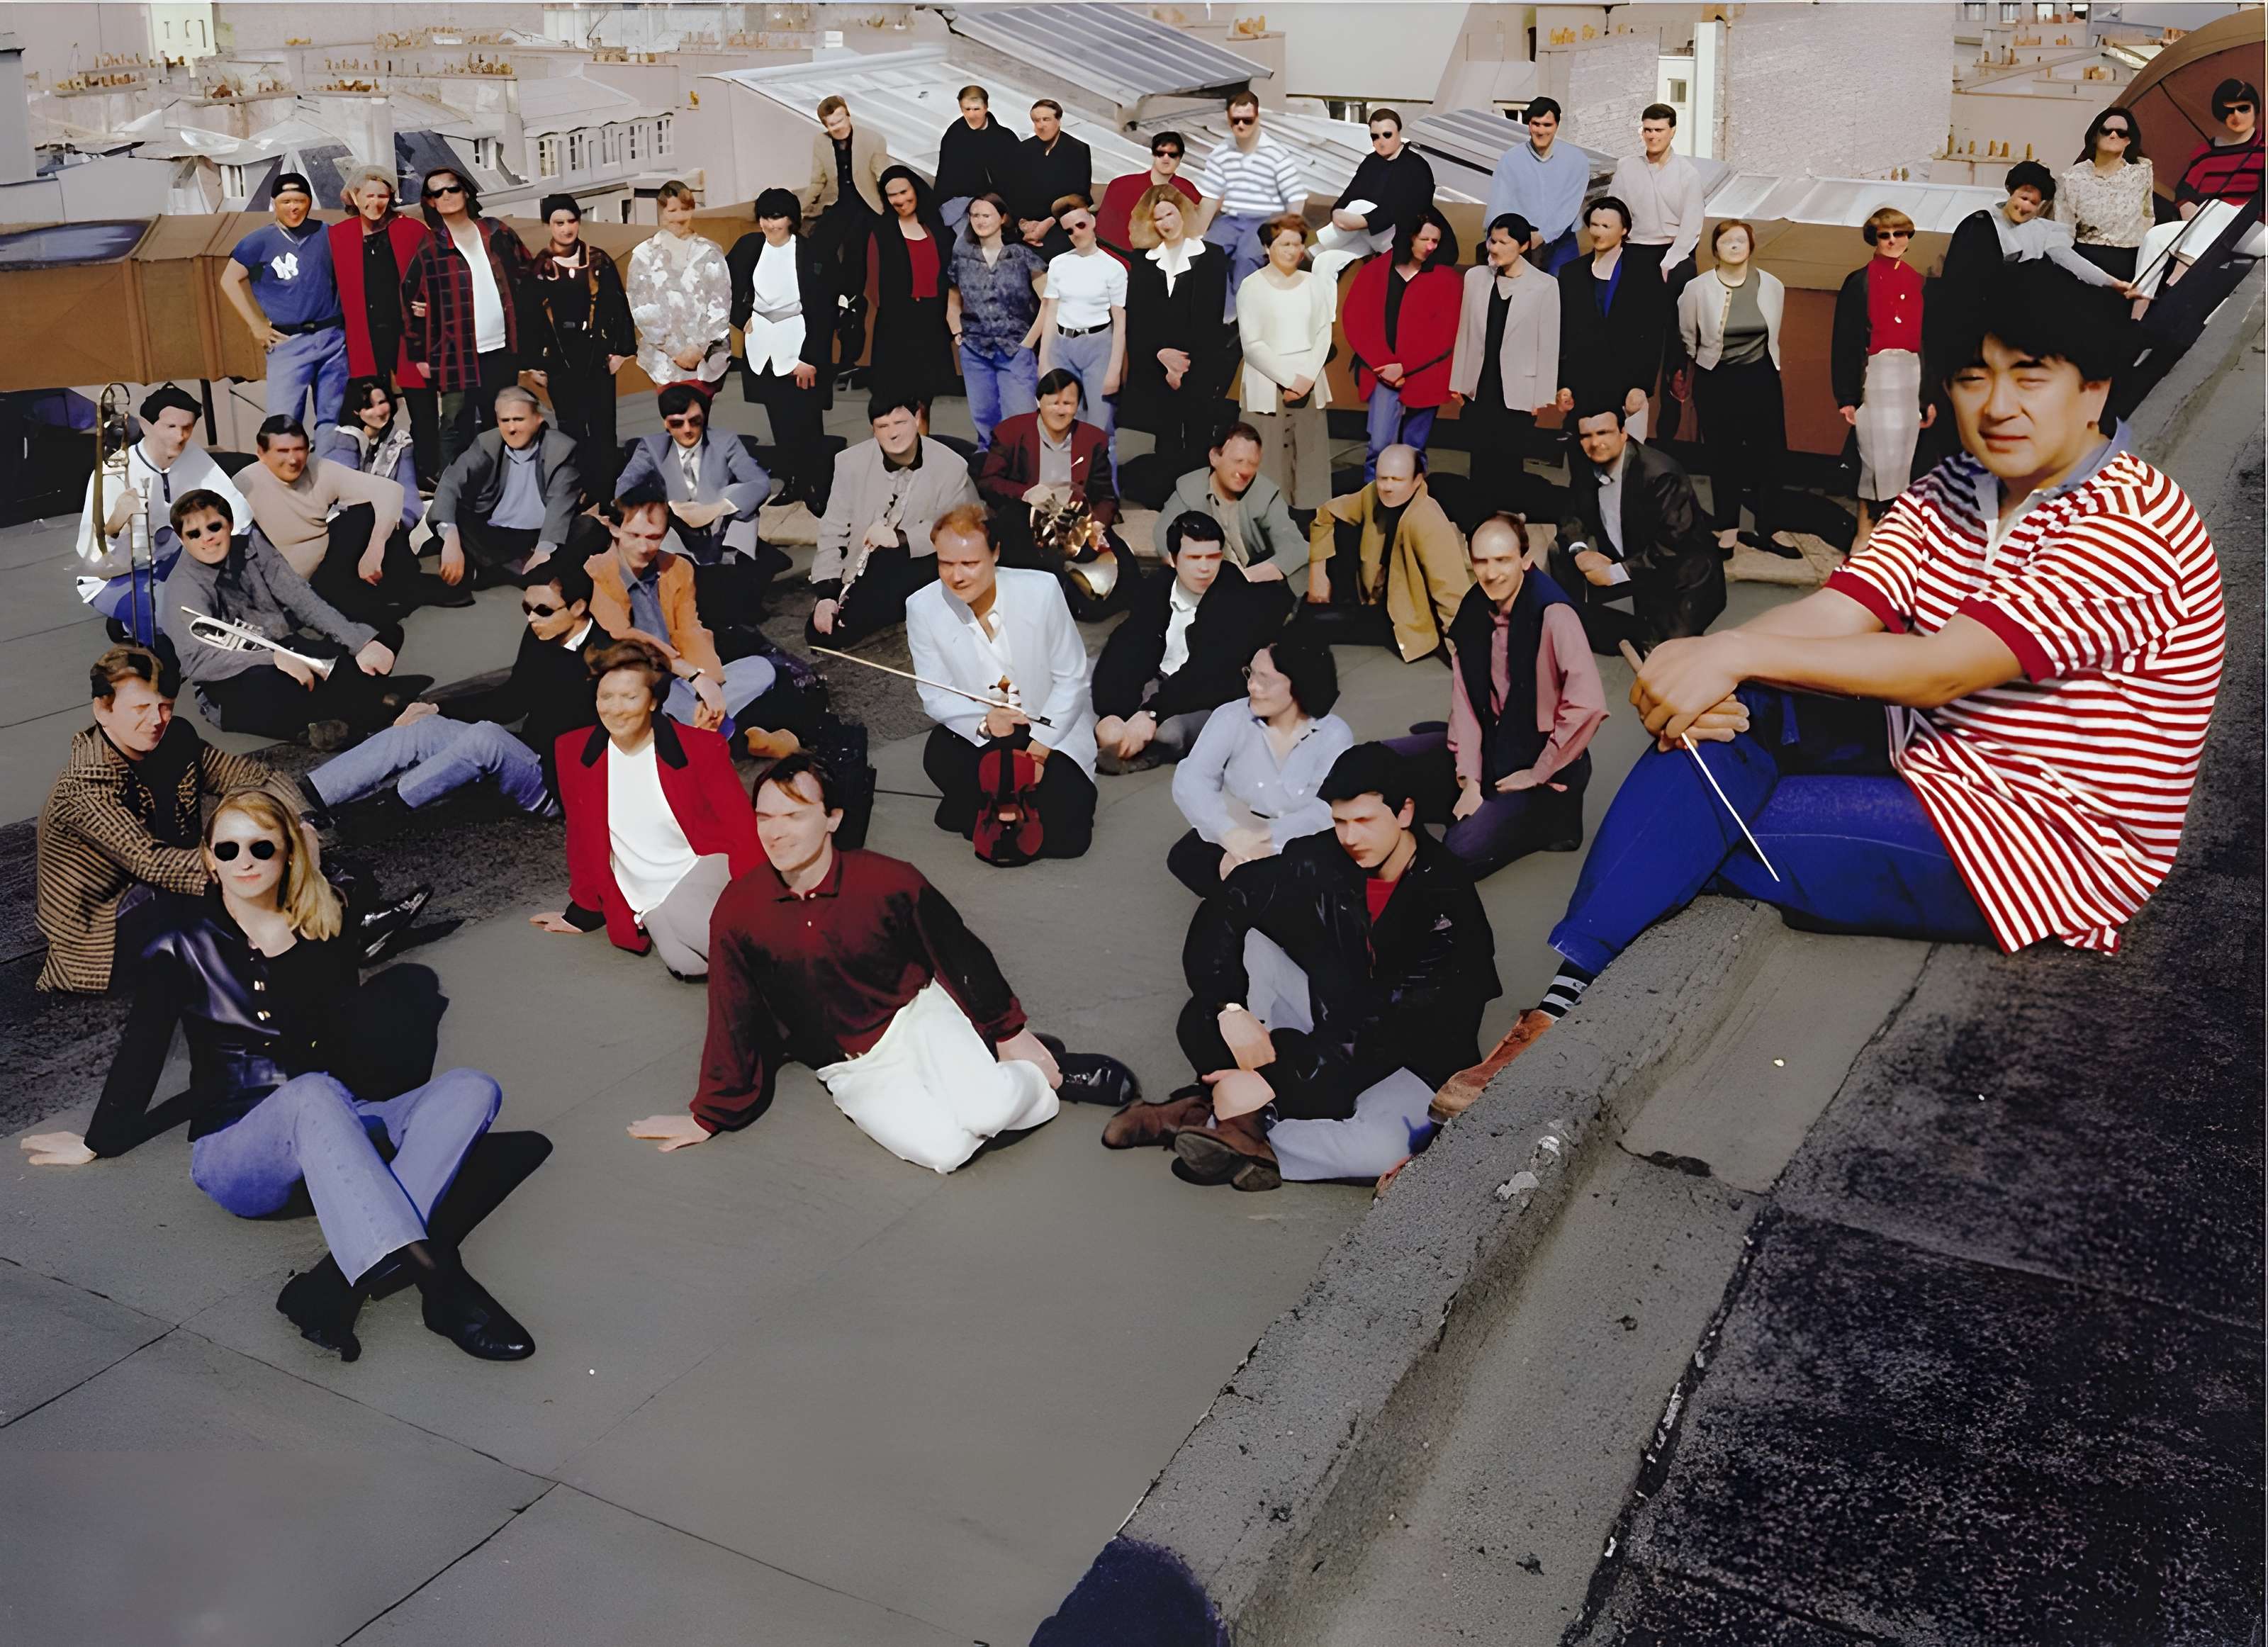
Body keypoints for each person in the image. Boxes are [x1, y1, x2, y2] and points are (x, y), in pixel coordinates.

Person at [1498, 263, 2223, 1072]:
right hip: (1933, 754)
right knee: (1727, 713)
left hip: (2042, 836)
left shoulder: (2131, 523)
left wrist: (1728, 648)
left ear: (2091, 390)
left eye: (2029, 376)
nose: (1997, 405)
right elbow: (1840, 607)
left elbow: (1941, 668)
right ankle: (1567, 996)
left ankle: (1557, 1016)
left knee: (1706, 836)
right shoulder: (1960, 483)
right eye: (1971, 377)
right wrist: (1712, 663)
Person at [23, 787, 534, 1365]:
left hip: (330, 1124)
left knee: (471, 1089)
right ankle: (441, 1287)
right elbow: (141, 1050)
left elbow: (343, 1043)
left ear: (288, 854)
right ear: (209, 859)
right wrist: (97, 1142)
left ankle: (328, 1287)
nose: (245, 860)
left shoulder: (324, 927)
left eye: (262, 846)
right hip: (238, 1154)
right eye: (229, 847)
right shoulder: (179, 944)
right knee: (311, 1092)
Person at [634, 753, 1136, 1170]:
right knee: (949, 1150)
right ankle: (981, 1069)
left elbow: (959, 953)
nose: (776, 833)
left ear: (833, 819)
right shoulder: (740, 909)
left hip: (916, 1014)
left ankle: (1042, 1072)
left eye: (794, 816)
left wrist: (1010, 1032)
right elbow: (731, 1011)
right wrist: (709, 1115)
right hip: (852, 1064)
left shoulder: (889, 880)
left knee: (988, 1110)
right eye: (765, 818)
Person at [1108, 743, 1498, 1191]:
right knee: (1253, 936)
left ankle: (1219, 1121)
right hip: (1328, 1025)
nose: (1351, 837)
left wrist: (1270, 1083)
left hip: (1411, 1061)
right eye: (1340, 821)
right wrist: (1228, 1008)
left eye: (1366, 821)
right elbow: (1233, 900)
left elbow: (1387, 1030)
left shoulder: (1446, 902)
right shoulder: (1327, 855)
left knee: (1381, 1151)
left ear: (1405, 812)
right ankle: (1240, 1124)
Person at [37, 643, 276, 994]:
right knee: (243, 884)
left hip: (164, 892)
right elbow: (152, 862)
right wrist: (262, 859)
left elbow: (251, 777)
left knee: (254, 849)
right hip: (103, 930)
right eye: (141, 708)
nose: (156, 720)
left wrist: (300, 823)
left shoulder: (174, 738)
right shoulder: (84, 787)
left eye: (165, 706)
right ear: (103, 709)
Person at [303, 557, 601, 821]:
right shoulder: (541, 635)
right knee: (425, 726)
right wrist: (438, 708)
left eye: (543, 611)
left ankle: (378, 812)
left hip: (558, 785)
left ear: (578, 607)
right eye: (526, 608)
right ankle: (312, 793)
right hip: (525, 754)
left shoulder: (607, 657)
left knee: (485, 737)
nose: (531, 618)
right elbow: (511, 699)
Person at [1386, 515, 1602, 878]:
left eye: (1502, 560)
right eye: (1482, 561)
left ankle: (1547, 820)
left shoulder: (1554, 613)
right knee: (1386, 765)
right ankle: (1476, 798)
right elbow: (1466, 704)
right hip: (1492, 745)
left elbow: (1588, 705)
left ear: (1524, 559)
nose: (1491, 573)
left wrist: (1538, 772)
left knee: (1460, 852)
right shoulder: (1475, 609)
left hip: (1540, 763)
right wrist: (1470, 781)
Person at [532, 637, 759, 978]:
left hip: (704, 866)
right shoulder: (572, 751)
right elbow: (579, 835)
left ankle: (793, 978)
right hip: (648, 897)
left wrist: (762, 895)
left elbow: (742, 831)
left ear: (653, 702)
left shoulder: (700, 747)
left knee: (691, 919)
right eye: (606, 697)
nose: (615, 708)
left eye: (630, 697)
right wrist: (582, 912)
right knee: (687, 963)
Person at [906, 505, 1099, 859]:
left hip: (1047, 727)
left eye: (970, 563)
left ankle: (977, 808)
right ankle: (988, 805)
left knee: (1071, 835)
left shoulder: (1041, 591)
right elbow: (935, 694)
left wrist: (1040, 751)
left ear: (995, 553)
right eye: (946, 563)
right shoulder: (922, 607)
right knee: (939, 755)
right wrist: (983, 721)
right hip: (986, 732)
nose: (957, 576)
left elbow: (1071, 677)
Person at [162, 490, 410, 745]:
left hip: (287, 648)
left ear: (230, 525)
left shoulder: (253, 545)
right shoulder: (183, 586)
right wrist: (272, 658)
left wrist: (360, 644)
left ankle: (342, 711)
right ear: (182, 539)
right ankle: (356, 708)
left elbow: (303, 601)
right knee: (278, 683)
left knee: (384, 631)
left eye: (214, 527)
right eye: (194, 534)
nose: (208, 539)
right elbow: (197, 662)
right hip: (234, 680)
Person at [583, 490, 790, 754]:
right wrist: (693, 677)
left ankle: (700, 729)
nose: (644, 547)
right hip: (636, 674)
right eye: (634, 536)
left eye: (654, 537)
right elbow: (623, 639)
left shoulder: (677, 568)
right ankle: (725, 736)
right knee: (655, 696)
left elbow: (690, 630)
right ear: (614, 528)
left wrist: (707, 684)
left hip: (680, 676)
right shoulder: (596, 573)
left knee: (762, 669)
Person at [1094, 510, 1293, 772]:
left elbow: (1209, 670)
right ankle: (1127, 741)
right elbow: (1125, 649)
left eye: (1212, 557)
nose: (1204, 567)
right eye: (1194, 557)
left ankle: (1143, 749)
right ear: (1174, 559)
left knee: (1170, 732)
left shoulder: (1234, 594)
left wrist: (1151, 714)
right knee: (1106, 719)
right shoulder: (1159, 586)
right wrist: (1113, 714)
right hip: (1161, 682)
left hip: (1213, 694)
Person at [1167, 634, 1352, 896]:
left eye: (1264, 679)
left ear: (1299, 684)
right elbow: (1192, 780)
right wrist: (1231, 834)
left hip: (1300, 836)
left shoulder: (1334, 733)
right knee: (1185, 857)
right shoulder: (1230, 716)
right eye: (1250, 674)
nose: (1252, 686)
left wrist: (1266, 841)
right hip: (1238, 826)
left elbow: (1326, 808)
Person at [73, 384, 251, 643]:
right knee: (172, 613)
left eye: (187, 428)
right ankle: (157, 657)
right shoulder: (113, 472)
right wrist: (116, 522)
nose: (180, 436)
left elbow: (238, 513)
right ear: (145, 426)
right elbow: (93, 555)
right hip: (117, 575)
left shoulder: (193, 456)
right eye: (170, 427)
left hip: (173, 562)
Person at [1551, 398, 1722, 654]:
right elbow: (1572, 515)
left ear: (1623, 433)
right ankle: (1575, 629)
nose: (1595, 443)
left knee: (1666, 660)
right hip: (1637, 564)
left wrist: (1613, 574)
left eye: (1603, 432)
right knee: (1558, 553)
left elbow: (1673, 548)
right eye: (1586, 436)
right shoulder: (1588, 467)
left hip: (1681, 579)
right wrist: (1580, 551)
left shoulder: (1660, 475)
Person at [809, 395, 982, 643]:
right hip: (864, 562)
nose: (893, 434)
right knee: (823, 632)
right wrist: (826, 592)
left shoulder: (951, 465)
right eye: (883, 426)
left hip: (923, 559)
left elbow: (960, 528)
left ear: (918, 419)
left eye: (900, 423)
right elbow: (833, 530)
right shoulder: (849, 462)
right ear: (873, 430)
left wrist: (901, 538)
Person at [1678, 220, 1798, 557]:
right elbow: (1688, 333)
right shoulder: (1698, 288)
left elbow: (1772, 332)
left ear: (1751, 246)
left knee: (1771, 455)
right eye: (1726, 241)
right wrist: (1698, 359)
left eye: (1740, 241)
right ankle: (1727, 528)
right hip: (1717, 378)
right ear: (1714, 248)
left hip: (1761, 377)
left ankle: (1770, 527)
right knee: (1724, 455)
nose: (1734, 246)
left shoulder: (1772, 285)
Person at [401, 166, 534, 468]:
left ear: (465, 191)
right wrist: (420, 353)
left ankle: (503, 487)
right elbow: (410, 300)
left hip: (502, 349)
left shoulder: (497, 231)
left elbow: (527, 275)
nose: (446, 196)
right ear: (431, 202)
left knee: (503, 420)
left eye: (452, 188)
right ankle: (453, 494)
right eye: (437, 193)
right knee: (454, 424)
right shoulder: (432, 247)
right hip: (456, 353)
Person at [617, 383, 780, 628]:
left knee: (739, 493)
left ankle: (733, 581)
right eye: (677, 424)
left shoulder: (724, 441)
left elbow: (760, 482)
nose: (688, 430)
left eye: (695, 421)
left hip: (720, 526)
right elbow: (623, 489)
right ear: (665, 424)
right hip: (675, 530)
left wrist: (716, 508)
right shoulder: (651, 447)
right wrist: (668, 507)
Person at [1936, 161, 2133, 361]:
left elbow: (2068, 259)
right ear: (2010, 192)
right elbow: (1966, 279)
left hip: (2021, 305)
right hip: (1984, 306)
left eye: (2033, 203)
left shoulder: (2042, 229)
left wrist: (2113, 283)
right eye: (2023, 198)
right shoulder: (1982, 223)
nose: (2025, 207)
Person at [238, 414, 425, 624]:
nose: (293, 460)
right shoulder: (246, 484)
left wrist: (375, 548)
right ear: (261, 453)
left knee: (364, 514)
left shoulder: (317, 467)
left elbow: (390, 491)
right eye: (282, 451)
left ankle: (406, 589)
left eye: (299, 449)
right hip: (283, 586)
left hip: (325, 570)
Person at [1301, 443, 1471, 661]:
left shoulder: (1427, 521)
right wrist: (1318, 572)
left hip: (1405, 616)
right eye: (1383, 478)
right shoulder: (1373, 493)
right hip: (1374, 594)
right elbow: (1326, 514)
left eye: (1397, 480)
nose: (1387, 487)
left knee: (1308, 624)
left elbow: (1450, 593)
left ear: (1418, 480)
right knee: (1308, 616)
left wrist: (1464, 653)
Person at [1832, 208, 1936, 548]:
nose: (1893, 241)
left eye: (1900, 234)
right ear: (1874, 239)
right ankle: (1865, 532)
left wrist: (1927, 397)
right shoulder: (1858, 282)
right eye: (1885, 235)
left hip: (1910, 376)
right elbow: (1845, 342)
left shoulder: (1920, 282)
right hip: (1874, 376)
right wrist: (1846, 396)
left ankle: (1892, 539)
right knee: (1873, 459)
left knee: (1902, 462)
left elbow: (1927, 345)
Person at [1448, 213, 1561, 527]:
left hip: (1518, 387)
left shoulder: (1544, 285)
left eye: (1502, 242)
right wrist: (1458, 381)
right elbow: (1465, 332)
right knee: (1480, 452)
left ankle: (1507, 521)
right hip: (1479, 382)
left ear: (1523, 245)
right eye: (1491, 240)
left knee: (1510, 455)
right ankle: (1479, 520)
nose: (1494, 248)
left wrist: (1541, 395)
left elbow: (1548, 343)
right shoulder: (1475, 277)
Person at [729, 188, 836, 510]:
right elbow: (724, 284)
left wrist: (810, 359)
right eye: (765, 217)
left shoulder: (811, 251)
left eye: (777, 217)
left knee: (807, 418)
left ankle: (818, 486)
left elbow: (826, 308)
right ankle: (793, 481)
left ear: (792, 219)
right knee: (778, 417)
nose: (770, 224)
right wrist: (741, 317)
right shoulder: (749, 247)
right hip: (762, 339)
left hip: (799, 338)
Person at [1120, 184, 1235, 480]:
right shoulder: (1143, 262)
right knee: (1166, 434)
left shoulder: (1211, 255)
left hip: (1199, 362)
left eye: (1170, 214)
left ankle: (1195, 497)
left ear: (1182, 213)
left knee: (1199, 433)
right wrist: (1162, 355)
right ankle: (1166, 498)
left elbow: (1210, 316)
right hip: (1156, 362)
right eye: (1158, 219)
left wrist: (1182, 364)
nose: (1166, 223)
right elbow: (1139, 317)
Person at [430, 386, 597, 588]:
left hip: (540, 534)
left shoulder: (561, 448)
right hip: (497, 533)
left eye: (519, 420)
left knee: (588, 527)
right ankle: (523, 571)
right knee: (450, 515)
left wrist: (544, 550)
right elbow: (450, 482)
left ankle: (509, 569)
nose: (511, 429)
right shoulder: (488, 442)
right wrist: (451, 539)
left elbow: (560, 502)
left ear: (538, 419)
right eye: (505, 421)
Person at [525, 193, 635, 502]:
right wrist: (535, 364)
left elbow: (617, 305)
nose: (566, 229)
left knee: (603, 427)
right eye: (559, 223)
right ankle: (580, 490)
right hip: (560, 358)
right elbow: (530, 317)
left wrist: (622, 351)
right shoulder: (539, 268)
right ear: (548, 225)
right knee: (571, 429)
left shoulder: (598, 261)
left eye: (571, 221)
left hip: (596, 353)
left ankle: (607, 493)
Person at [222, 172, 348, 438]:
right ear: (274, 204)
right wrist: (256, 325)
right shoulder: (259, 240)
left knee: (334, 419)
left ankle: (330, 473)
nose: (293, 207)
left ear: (309, 202)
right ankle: (284, 477)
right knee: (284, 420)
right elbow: (229, 279)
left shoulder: (327, 233)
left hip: (332, 338)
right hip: (288, 339)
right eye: (286, 201)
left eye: (300, 200)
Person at [327, 164, 435, 475]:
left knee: (422, 405)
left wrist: (430, 307)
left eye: (382, 196)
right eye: (368, 196)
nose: (375, 204)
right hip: (363, 335)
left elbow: (436, 275)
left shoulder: (411, 230)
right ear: (354, 197)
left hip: (407, 333)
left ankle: (426, 468)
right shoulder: (338, 236)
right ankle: (359, 470)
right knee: (364, 408)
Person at [975, 369, 1128, 586]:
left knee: (1125, 568)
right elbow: (988, 482)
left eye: (1068, 404)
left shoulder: (1093, 439)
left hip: (1073, 524)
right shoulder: (1010, 431)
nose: (1060, 411)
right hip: (1024, 519)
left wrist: (1097, 524)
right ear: (1039, 402)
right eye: (1053, 403)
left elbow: (1106, 496)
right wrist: (1026, 493)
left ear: (1077, 406)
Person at [1609, 104, 1707, 435]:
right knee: (1632, 343)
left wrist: (1669, 263)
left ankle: (1668, 436)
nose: (1652, 136)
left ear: (1672, 131)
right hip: (1634, 252)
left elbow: (1691, 227)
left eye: (1659, 130)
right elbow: (1615, 212)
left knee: (1673, 347)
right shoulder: (1627, 168)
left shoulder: (1687, 174)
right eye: (1647, 130)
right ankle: (1627, 431)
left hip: (1672, 256)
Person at [1343, 208, 1461, 480]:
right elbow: (1356, 320)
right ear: (1409, 237)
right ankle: (1372, 509)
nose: (1431, 247)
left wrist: (1403, 367)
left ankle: (1412, 512)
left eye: (1436, 241)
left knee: (1414, 451)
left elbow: (1444, 334)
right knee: (1379, 448)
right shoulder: (1376, 271)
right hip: (1383, 373)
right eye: (1425, 239)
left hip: (1426, 376)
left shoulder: (1447, 280)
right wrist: (1384, 364)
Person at [2133, 79, 2262, 305]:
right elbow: (2184, 193)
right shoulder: (2205, 153)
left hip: (2255, 230)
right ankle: (2139, 310)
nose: (2237, 116)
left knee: (2218, 208)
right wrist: (2196, 222)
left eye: (2244, 108)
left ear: (2255, 110)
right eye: (2229, 110)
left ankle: (2179, 280)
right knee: (2156, 237)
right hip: (2205, 226)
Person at [1237, 215, 1335, 513]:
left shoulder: (1316, 284)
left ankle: (1308, 526)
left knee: (1309, 458)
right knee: (1266, 460)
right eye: (1285, 244)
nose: (1293, 250)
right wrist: (1289, 380)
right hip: (1267, 383)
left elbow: (1323, 333)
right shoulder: (1252, 286)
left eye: (1298, 244)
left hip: (1309, 380)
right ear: (1267, 247)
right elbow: (1253, 345)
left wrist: (1305, 378)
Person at [1554, 196, 1666, 444]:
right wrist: (1563, 384)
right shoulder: (1572, 273)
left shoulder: (1644, 270)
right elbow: (1563, 334)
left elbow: (1654, 332)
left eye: (1606, 226)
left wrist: (1642, 386)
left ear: (1624, 230)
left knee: (1626, 465)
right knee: (1583, 461)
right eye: (1594, 225)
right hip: (1584, 383)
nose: (1598, 232)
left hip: (1627, 385)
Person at [946, 192, 1048, 450]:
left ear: (1002, 218)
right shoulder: (962, 256)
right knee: (984, 418)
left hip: (1016, 347)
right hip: (975, 348)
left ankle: (1024, 476)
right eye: (975, 215)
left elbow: (1049, 302)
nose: (980, 221)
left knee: (1022, 418)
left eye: (986, 215)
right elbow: (953, 299)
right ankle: (990, 475)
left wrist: (1029, 342)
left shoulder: (1021, 255)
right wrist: (958, 333)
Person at [799, 95, 892, 374]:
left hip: (866, 206)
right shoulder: (821, 142)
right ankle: (831, 300)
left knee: (856, 250)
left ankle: (851, 303)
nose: (837, 127)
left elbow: (882, 175)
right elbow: (819, 180)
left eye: (840, 121)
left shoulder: (872, 139)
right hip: (838, 204)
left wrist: (894, 208)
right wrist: (801, 210)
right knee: (817, 247)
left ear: (848, 116)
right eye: (831, 124)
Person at [1031, 196, 1129, 459]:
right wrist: (1044, 361)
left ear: (1093, 221)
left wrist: (1114, 370)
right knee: (1061, 422)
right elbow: (1052, 310)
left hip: (1099, 345)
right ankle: (1067, 491)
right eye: (1069, 231)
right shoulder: (1060, 263)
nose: (1076, 233)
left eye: (1080, 225)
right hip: (1063, 345)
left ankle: (1104, 495)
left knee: (1100, 427)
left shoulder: (1114, 268)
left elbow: (1120, 321)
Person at [1193, 89, 1307, 316]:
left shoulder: (1276, 153)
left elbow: (1295, 196)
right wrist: (1196, 234)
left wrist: (1290, 233)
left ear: (1257, 118)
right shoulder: (1221, 153)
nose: (1242, 125)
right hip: (1231, 219)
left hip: (1266, 218)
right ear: (1229, 119)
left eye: (1248, 120)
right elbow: (1211, 198)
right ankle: (1221, 312)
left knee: (1246, 256)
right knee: (1206, 252)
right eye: (1236, 120)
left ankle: (1241, 315)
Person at [628, 181, 734, 398]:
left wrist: (699, 347)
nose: (678, 217)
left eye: (684, 209)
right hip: (663, 363)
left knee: (701, 419)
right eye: (672, 210)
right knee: (677, 419)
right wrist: (675, 350)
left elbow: (721, 302)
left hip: (707, 362)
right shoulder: (644, 255)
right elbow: (642, 308)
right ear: (661, 212)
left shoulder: (710, 251)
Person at [1310, 108, 1436, 288]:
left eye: (1387, 135)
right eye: (1375, 137)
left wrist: (1364, 221)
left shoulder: (1416, 167)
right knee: (1324, 262)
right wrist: (1337, 213)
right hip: (1363, 235)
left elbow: (1404, 211)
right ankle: (1326, 312)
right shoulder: (1371, 162)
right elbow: (1349, 195)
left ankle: (1316, 248)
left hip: (1399, 237)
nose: (1381, 142)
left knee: (1360, 206)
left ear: (1399, 133)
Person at [866, 165, 957, 415]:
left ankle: (923, 448)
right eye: (892, 195)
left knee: (925, 397)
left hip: (931, 321)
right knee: (893, 397)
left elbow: (949, 274)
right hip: (896, 323)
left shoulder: (937, 228)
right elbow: (873, 284)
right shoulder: (881, 232)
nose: (900, 200)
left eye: (903, 191)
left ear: (915, 189)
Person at [1152, 422, 1299, 575]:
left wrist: (1251, 577)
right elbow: (1163, 534)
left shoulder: (1266, 493)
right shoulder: (1190, 488)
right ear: (1214, 457)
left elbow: (1294, 546)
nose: (1245, 471)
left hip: (1254, 578)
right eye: (1238, 461)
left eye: (1252, 464)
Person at [1483, 97, 1589, 275]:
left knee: (1562, 290)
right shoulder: (1511, 159)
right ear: (1529, 125)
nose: (1541, 131)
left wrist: (1543, 236)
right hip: (1520, 239)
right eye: (1536, 124)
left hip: (1561, 240)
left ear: (1556, 125)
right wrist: (1495, 240)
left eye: (1547, 125)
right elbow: (1499, 203)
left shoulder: (1576, 160)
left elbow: (1570, 205)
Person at [2053, 107, 2154, 285]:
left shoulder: (2142, 171)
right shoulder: (2072, 178)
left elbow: (2147, 215)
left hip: (2131, 259)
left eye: (2122, 133)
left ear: (2129, 140)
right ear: (2095, 135)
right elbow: (2063, 229)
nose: (2113, 135)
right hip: (2087, 259)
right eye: (2106, 131)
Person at [932, 84, 1027, 236]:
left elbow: (1019, 177)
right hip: (964, 204)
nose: (972, 115)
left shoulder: (1005, 137)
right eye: (967, 109)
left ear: (986, 107)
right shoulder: (954, 137)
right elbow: (947, 179)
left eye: (976, 109)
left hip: (1004, 203)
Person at [1098, 130, 1200, 257]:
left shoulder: (1189, 192)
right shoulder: (1120, 186)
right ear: (1153, 154)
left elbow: (1195, 234)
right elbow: (1104, 234)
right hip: (1119, 259)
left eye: (1172, 155)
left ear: (1180, 158)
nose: (1166, 159)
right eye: (1160, 153)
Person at [1016, 99, 1091, 261]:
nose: (1041, 125)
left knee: (1038, 257)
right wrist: (1023, 223)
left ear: (1058, 121)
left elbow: (1080, 196)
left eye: (1046, 120)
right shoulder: (1024, 149)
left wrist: (1048, 223)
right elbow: (1015, 189)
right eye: (1036, 120)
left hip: (1060, 223)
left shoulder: (1077, 150)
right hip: (1026, 224)